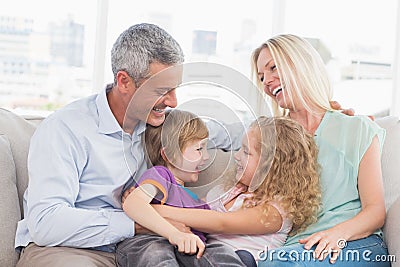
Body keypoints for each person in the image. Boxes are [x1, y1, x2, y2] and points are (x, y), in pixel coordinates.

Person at [14, 23, 239, 267]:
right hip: (71, 248)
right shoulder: (65, 128)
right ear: (124, 81)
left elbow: (228, 134)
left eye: (176, 89)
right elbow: (46, 222)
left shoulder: (161, 126)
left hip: (147, 245)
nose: (174, 101)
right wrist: (139, 223)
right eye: (163, 90)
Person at [251, 34, 389, 266]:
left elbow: (375, 211)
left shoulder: (356, 127)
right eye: (261, 76)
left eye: (273, 68)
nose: (266, 81)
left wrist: (337, 234)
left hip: (354, 242)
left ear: (302, 63)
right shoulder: (272, 139)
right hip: (296, 248)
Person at [154, 116, 322, 266]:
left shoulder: (276, 211)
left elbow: (221, 223)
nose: (236, 156)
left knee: (241, 257)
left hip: (237, 261)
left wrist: (156, 210)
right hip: (203, 256)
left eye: (246, 152)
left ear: (271, 165)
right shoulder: (228, 190)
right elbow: (194, 210)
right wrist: (150, 199)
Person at [116, 109, 246, 266]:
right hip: (149, 241)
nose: (206, 157)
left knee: (221, 253)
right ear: (169, 155)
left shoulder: (197, 202)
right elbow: (133, 203)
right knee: (157, 254)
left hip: (189, 248)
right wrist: (174, 234)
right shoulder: (161, 175)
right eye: (199, 149)